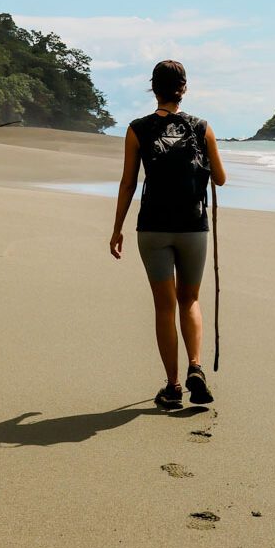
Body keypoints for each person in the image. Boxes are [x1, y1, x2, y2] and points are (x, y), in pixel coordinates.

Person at [110, 60, 227, 409]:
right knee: (189, 299)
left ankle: (173, 386)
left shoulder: (137, 129)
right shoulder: (201, 128)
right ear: (184, 88)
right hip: (193, 227)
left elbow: (129, 182)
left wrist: (117, 229)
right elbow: (220, 179)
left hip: (153, 228)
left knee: (165, 306)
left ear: (153, 88)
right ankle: (196, 367)